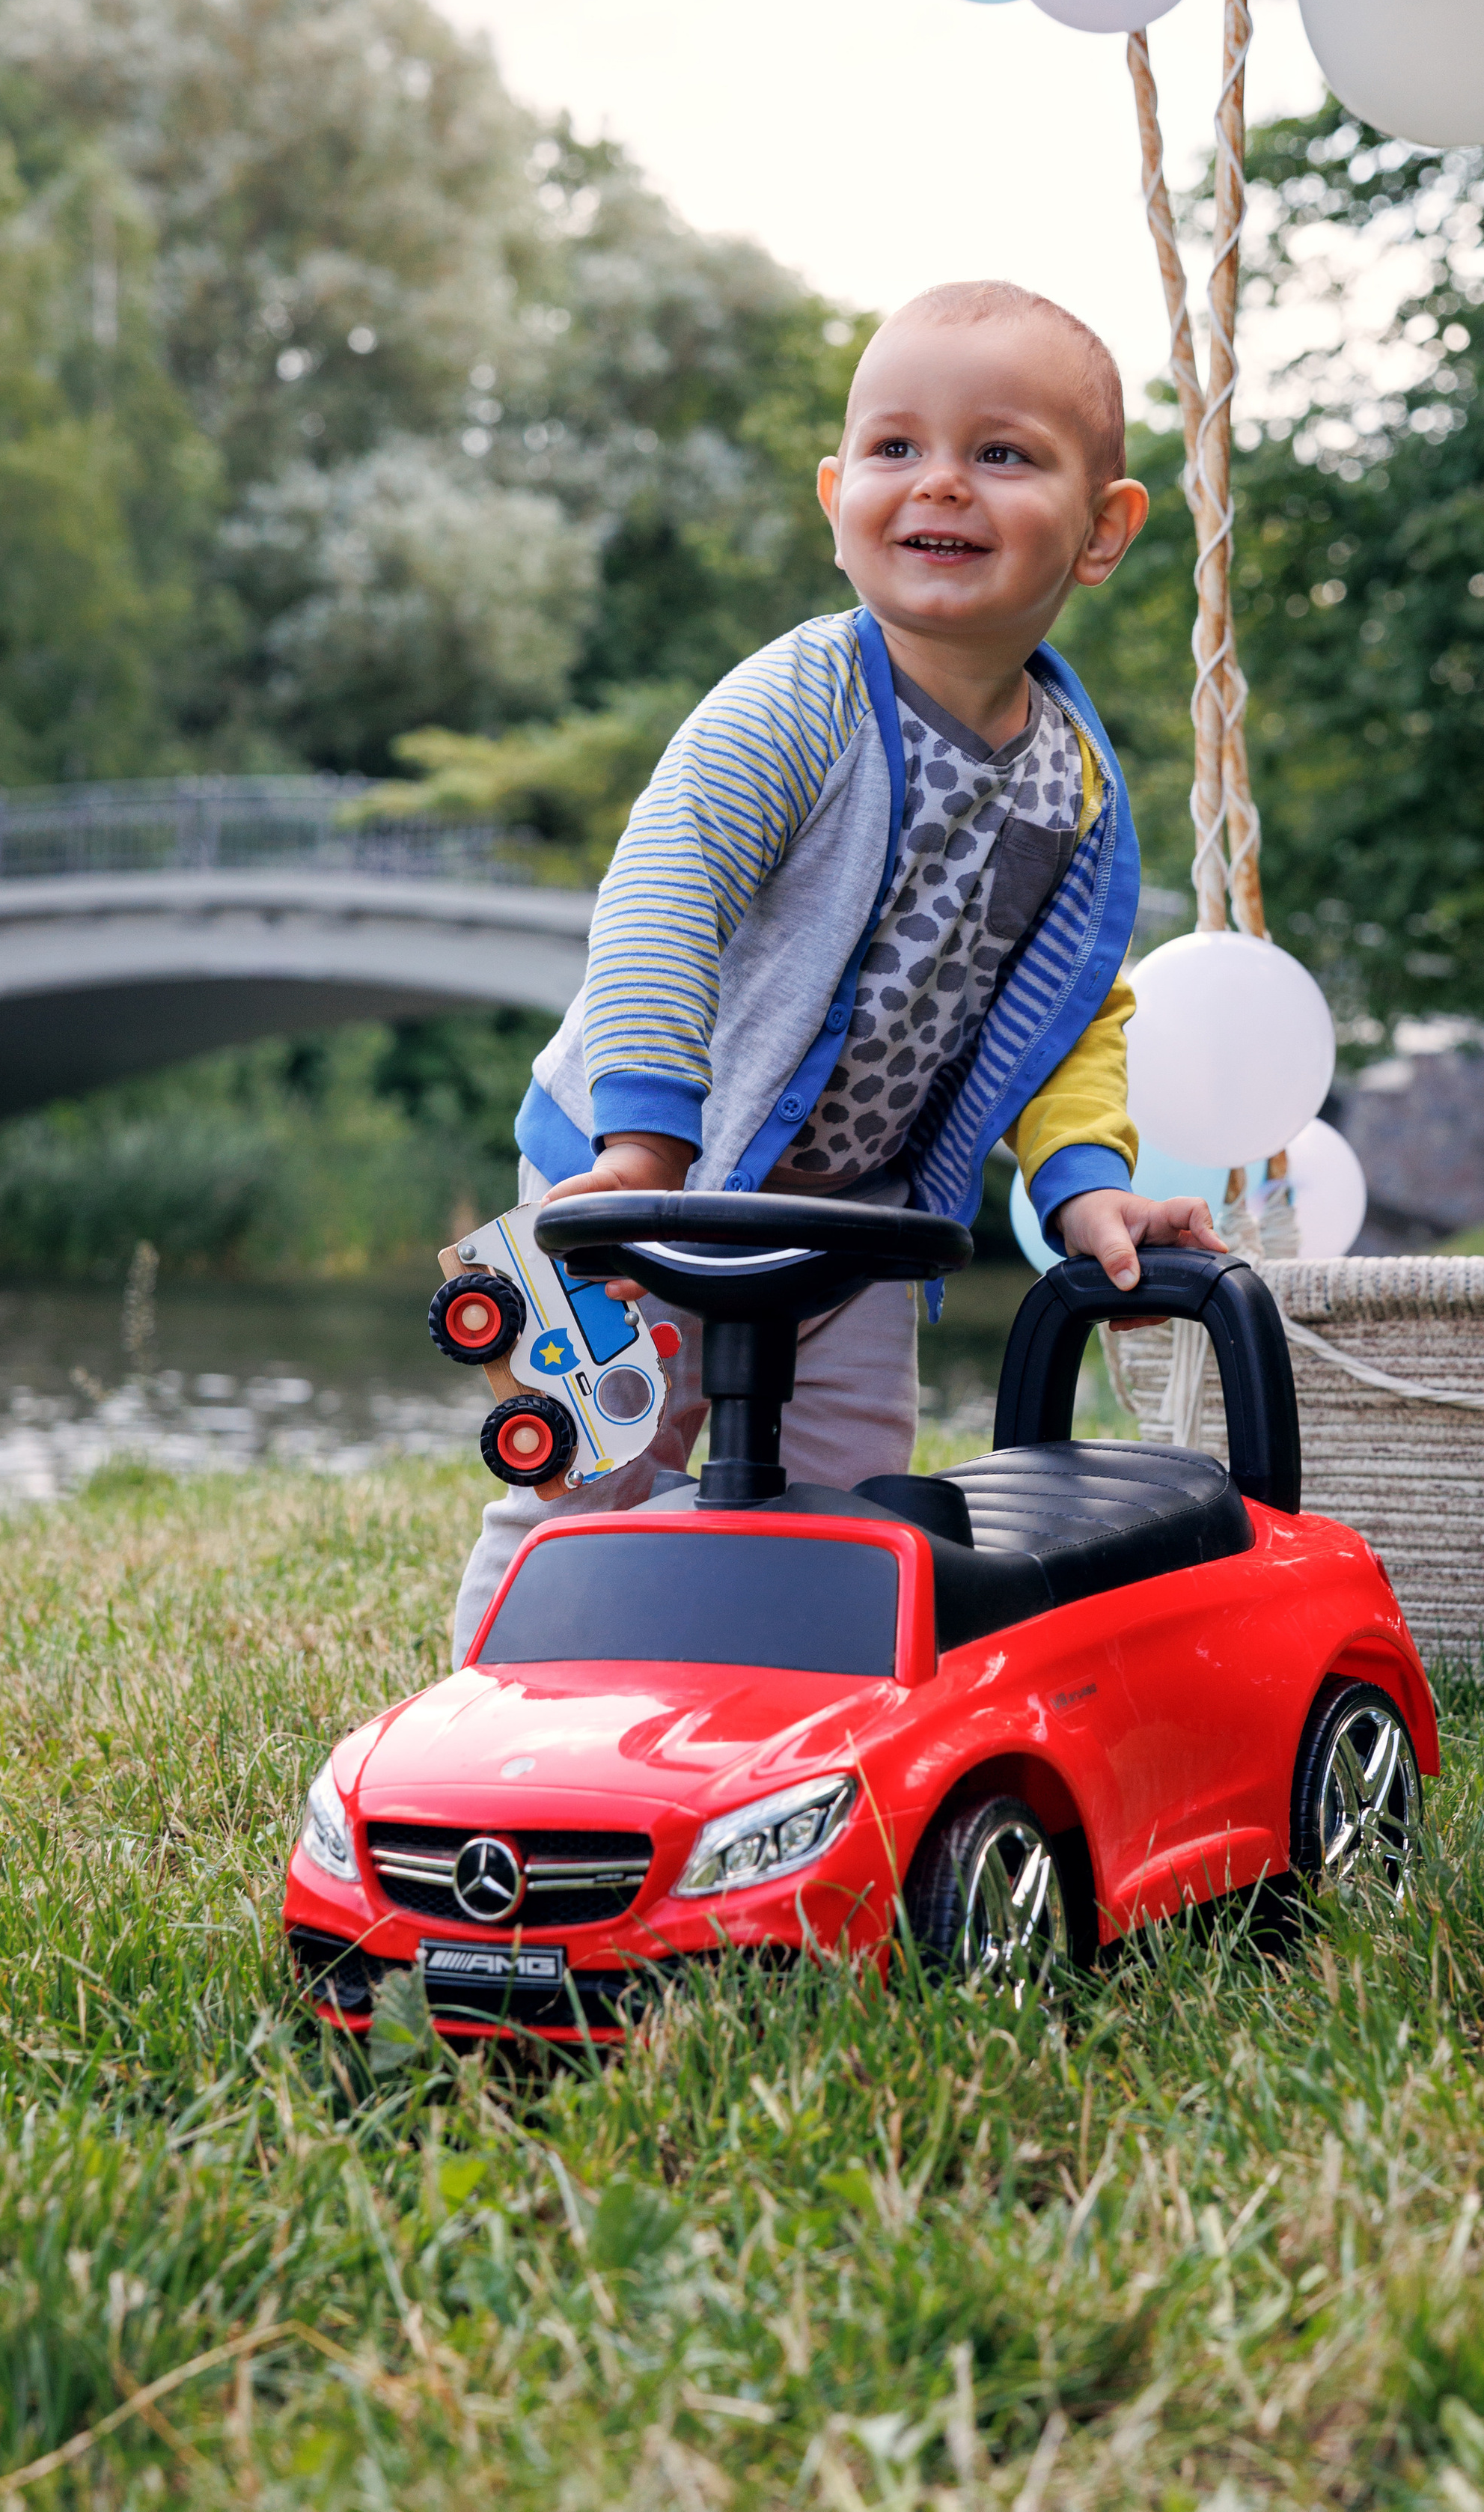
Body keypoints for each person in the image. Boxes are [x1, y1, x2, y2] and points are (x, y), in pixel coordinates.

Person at [451, 278, 1223, 1663]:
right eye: (895, 449)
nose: (942, 484)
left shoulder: (1075, 778)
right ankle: (503, 1720)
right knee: (586, 1469)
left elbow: (1068, 1009)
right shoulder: (795, 702)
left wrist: (1085, 1180)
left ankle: (784, 1726)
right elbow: (662, 901)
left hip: (852, 1215)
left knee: (851, 1493)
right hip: (638, 1171)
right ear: (835, 496)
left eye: (1002, 454)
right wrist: (639, 1148)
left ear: (1103, 529)